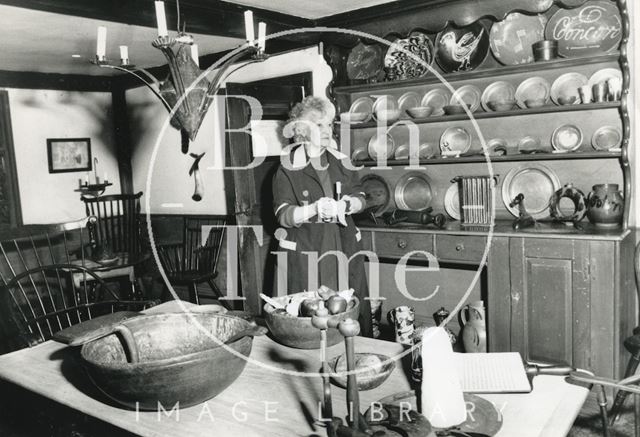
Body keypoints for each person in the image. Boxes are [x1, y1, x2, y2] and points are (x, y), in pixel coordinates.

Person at [272, 96, 372, 336]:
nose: (328, 130)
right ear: (303, 130)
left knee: (348, 312)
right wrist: (314, 208)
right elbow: (283, 215)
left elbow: (362, 197)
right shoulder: (287, 168)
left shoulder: (342, 161)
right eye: (320, 125)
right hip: (307, 249)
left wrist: (347, 205)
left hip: (342, 244)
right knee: (310, 319)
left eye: (330, 124)